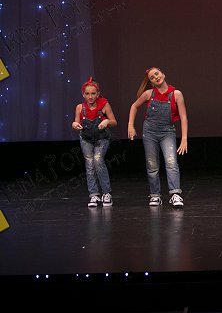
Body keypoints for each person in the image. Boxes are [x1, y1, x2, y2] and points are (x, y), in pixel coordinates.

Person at [128, 67, 188, 208]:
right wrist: (130, 125)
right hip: (150, 132)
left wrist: (184, 139)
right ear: (151, 83)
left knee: (171, 162)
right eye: (152, 77)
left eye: (157, 73)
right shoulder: (149, 94)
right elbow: (134, 106)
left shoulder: (176, 94)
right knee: (152, 165)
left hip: (167, 132)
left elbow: (184, 117)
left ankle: (175, 194)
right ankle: (155, 195)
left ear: (163, 74)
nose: (156, 77)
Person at [72, 77, 117, 208]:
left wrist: (106, 121)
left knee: (98, 161)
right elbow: (76, 123)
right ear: (83, 94)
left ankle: (106, 193)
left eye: (93, 93)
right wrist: (75, 125)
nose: (90, 96)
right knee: (90, 164)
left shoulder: (104, 105)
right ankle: (94, 194)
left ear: (98, 94)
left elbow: (114, 122)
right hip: (86, 139)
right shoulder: (80, 108)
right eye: (87, 94)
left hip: (101, 138)